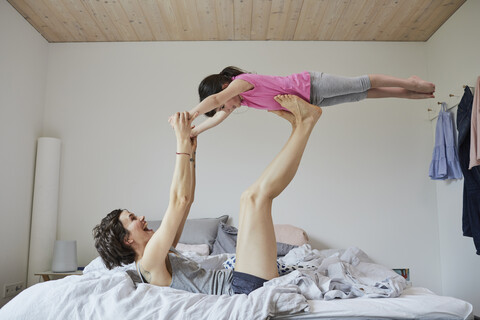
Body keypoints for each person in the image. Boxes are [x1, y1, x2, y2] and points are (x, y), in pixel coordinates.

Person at [93, 94, 322, 295]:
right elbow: (178, 201)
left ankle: (299, 126)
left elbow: (187, 199)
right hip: (242, 288)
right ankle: (306, 124)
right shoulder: (148, 262)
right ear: (127, 239)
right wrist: (180, 141)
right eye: (132, 219)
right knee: (253, 197)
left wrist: (191, 155)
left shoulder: (161, 250)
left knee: (250, 198)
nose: (141, 218)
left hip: (240, 277)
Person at [176, 66, 435, 137]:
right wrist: (194, 132)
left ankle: (409, 82)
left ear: (224, 87)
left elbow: (216, 101)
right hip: (312, 100)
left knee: (359, 83)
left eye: (224, 104)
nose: (226, 108)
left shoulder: (242, 82)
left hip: (311, 84)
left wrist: (189, 115)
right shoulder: (243, 101)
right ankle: (404, 94)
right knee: (361, 95)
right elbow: (219, 117)